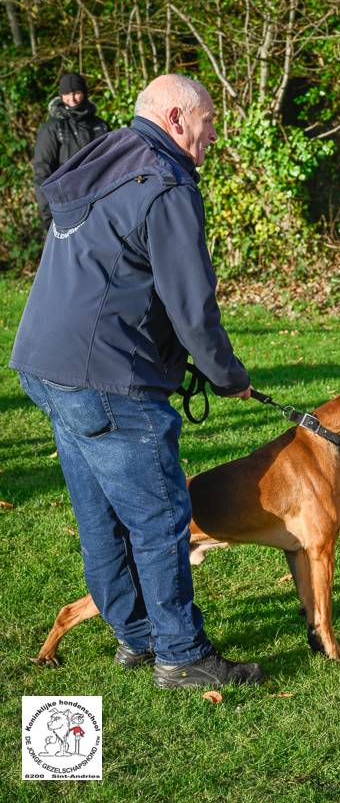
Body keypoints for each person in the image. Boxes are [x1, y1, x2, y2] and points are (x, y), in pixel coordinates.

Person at [10, 73, 264, 691]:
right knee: (158, 517)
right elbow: (192, 305)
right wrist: (227, 376)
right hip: (105, 376)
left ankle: (135, 636)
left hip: (45, 363)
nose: (209, 144)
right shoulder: (166, 181)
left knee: (100, 514)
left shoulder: (108, 157)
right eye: (206, 130)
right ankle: (179, 652)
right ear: (177, 119)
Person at [33, 72, 109, 230]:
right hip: (65, 209)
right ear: (61, 96)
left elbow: (113, 165)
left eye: (76, 93)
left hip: (99, 208)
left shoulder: (100, 125)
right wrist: (49, 216)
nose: (72, 99)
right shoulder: (53, 127)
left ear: (85, 93)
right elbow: (42, 171)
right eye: (67, 94)